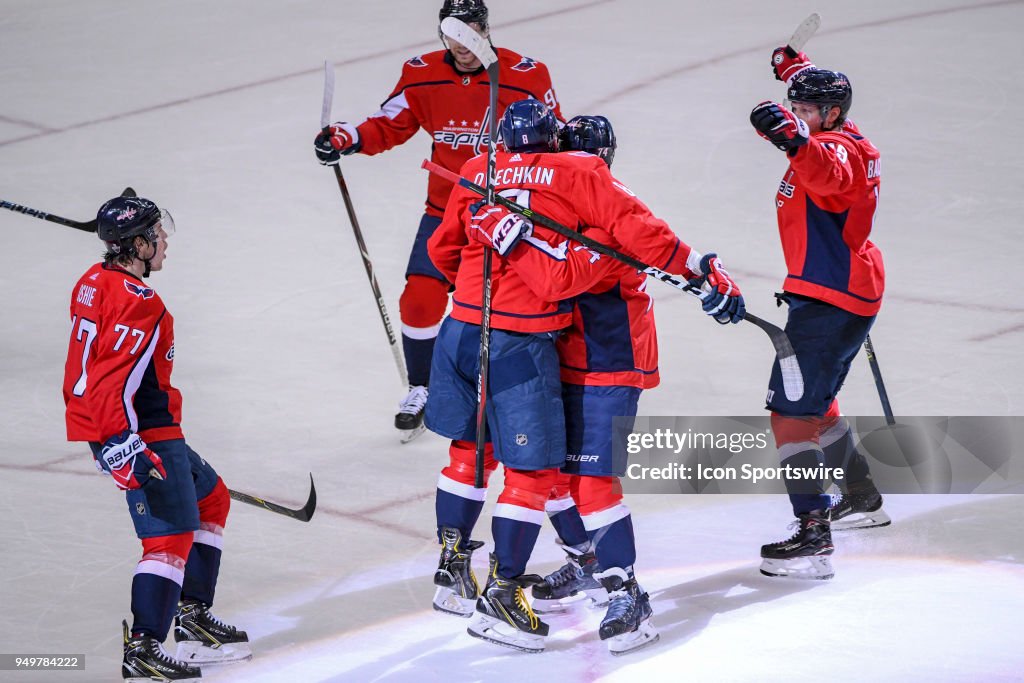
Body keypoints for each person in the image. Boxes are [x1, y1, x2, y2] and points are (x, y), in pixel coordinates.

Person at [425, 99, 744, 653]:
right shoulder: (566, 197)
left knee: (585, 480)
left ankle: (624, 589)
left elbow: (564, 271)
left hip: (604, 361)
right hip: (544, 352)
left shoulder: (600, 218)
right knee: (543, 474)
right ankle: (587, 561)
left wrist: (508, 239)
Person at [313, 0, 563, 441]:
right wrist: (348, 138)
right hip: (448, 212)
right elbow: (388, 124)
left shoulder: (525, 75)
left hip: (509, 213)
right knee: (419, 301)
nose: (462, 42)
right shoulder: (422, 72)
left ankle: (528, 384)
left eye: (471, 30)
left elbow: (555, 137)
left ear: (486, 30)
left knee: (516, 306)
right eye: (453, 31)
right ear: (441, 33)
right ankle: (422, 387)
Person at [63, 195, 249, 681]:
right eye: (156, 234)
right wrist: (121, 447)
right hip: (138, 431)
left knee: (213, 500)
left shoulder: (94, 281)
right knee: (168, 539)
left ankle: (191, 619)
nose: (165, 240)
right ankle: (144, 647)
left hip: (148, 425)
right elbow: (110, 382)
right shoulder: (139, 302)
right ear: (138, 245)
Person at [749, 47, 890, 580]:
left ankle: (812, 531)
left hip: (830, 299)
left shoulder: (832, 150)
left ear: (831, 115)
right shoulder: (844, 132)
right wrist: (796, 69)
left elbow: (829, 174)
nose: (798, 115)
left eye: (807, 109)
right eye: (796, 107)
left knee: (790, 413)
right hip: (844, 289)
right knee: (818, 402)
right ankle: (859, 494)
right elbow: (819, 130)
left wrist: (790, 136)